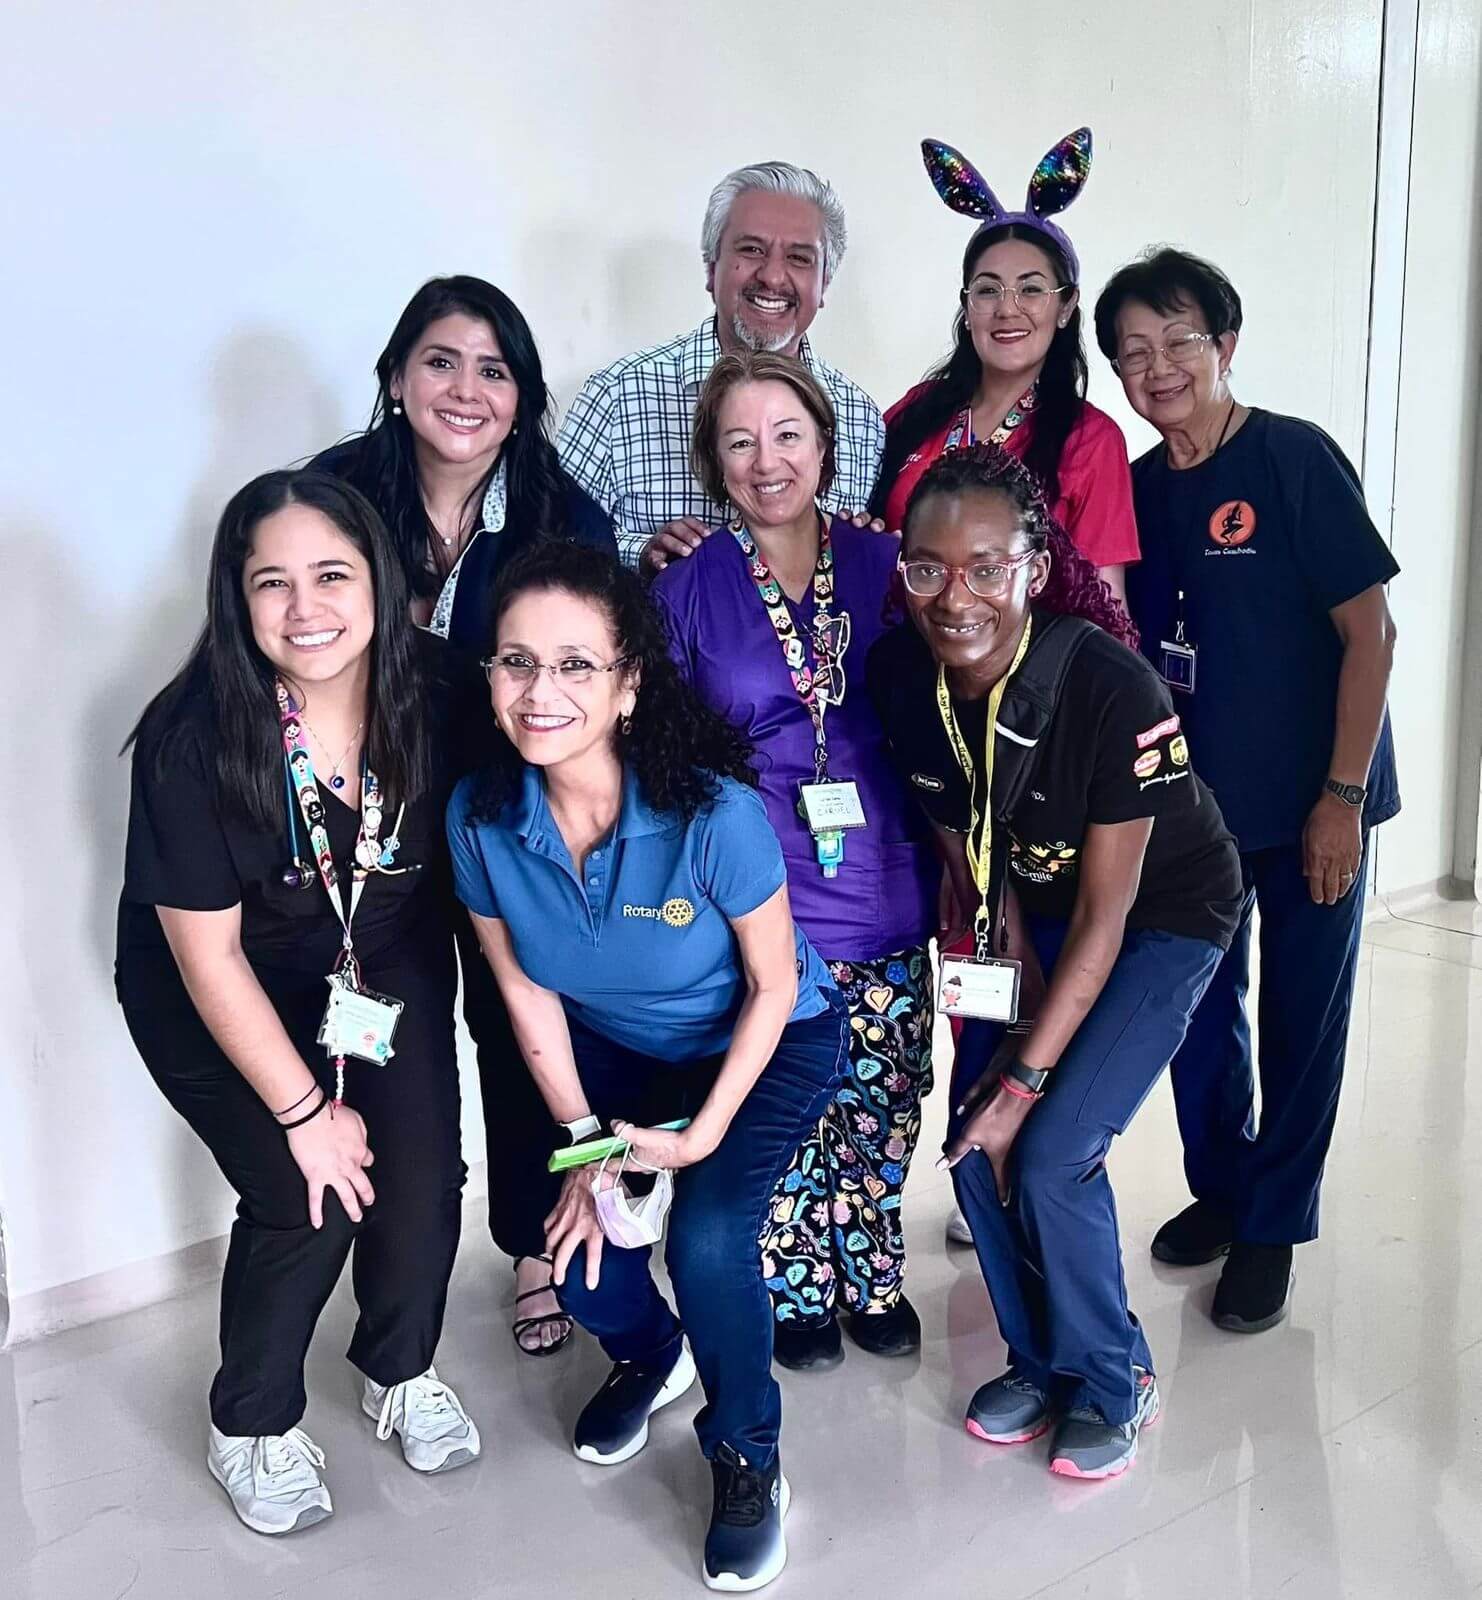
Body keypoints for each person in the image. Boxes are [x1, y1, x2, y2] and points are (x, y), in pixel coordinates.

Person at [447, 540, 848, 1592]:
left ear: (628, 684)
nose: (541, 692)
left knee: (708, 1238)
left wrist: (700, 1138)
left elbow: (772, 986)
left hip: (766, 1041)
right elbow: (525, 992)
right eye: (517, 661)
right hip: (617, 1052)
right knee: (581, 1259)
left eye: (576, 665)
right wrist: (589, 1146)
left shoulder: (712, 812)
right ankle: (651, 1352)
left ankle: (748, 1453)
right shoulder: (481, 817)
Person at [867, 444, 1244, 1480]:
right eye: (928, 568)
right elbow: (959, 834)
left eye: (987, 568)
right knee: (973, 1140)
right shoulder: (902, 675)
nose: (956, 597)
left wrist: (1028, 1076)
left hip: (1164, 916)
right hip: (1032, 908)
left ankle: (1115, 1378)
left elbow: (1110, 916)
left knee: (1049, 1146)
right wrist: (1008, 962)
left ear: (1033, 567)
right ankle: (1039, 1362)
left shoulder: (1111, 685)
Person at [116, 471, 482, 1535]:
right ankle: (252, 1421)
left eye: (331, 573)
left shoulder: (441, 690)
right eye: (270, 581)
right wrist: (305, 1112)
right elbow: (208, 960)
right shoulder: (192, 737)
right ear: (236, 598)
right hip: (215, 985)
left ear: (379, 579)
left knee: (421, 1173)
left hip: (378, 964)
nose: (304, 606)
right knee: (305, 1186)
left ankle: (398, 1365)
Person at [1094, 247, 1400, 1333]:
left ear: (1224, 344)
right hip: (1194, 815)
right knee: (1197, 1014)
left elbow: (1372, 634)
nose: (1158, 367)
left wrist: (1341, 798)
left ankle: (1273, 1223)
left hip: (1314, 799)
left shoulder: (1292, 459)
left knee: (1301, 1017)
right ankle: (1223, 1189)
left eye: (1178, 340)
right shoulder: (1137, 491)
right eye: (1133, 352)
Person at [315, 274, 618, 1353]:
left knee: (520, 1029)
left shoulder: (563, 516)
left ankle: (534, 1249)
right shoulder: (333, 494)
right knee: (379, 1040)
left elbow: (588, 678)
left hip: (506, 820)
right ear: (397, 377)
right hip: (365, 831)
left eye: (494, 370)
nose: (465, 389)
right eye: (441, 361)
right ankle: (389, 1271)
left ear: (523, 396)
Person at [653, 352, 938, 1370]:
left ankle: (873, 1266)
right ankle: (796, 1282)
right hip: (759, 889)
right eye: (739, 442)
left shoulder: (888, 562)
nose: (765, 461)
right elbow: (664, 753)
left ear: (825, 445)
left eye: (786, 435)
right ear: (713, 460)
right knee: (782, 1100)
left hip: (884, 869)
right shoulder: (683, 587)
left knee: (884, 1090)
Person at [556, 161, 885, 574]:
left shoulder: (860, 420)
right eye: (752, 250)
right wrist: (640, 554)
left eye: (799, 258)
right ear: (711, 269)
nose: (773, 276)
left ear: (824, 284)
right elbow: (545, 543)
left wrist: (863, 544)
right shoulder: (617, 396)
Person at [872, 130, 1139, 605]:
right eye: (988, 290)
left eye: (1031, 289)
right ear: (967, 306)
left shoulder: (1091, 441)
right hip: (898, 644)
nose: (1007, 309)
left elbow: (1106, 610)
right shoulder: (914, 412)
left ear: (1065, 306)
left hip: (1026, 655)